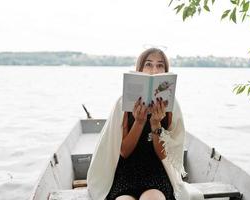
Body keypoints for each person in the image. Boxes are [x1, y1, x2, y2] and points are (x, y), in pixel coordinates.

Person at [87, 48, 204, 200]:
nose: (154, 70)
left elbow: (164, 156)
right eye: (148, 64)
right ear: (140, 69)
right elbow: (124, 152)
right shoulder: (124, 103)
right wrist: (140, 121)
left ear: (166, 70)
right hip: (126, 170)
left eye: (160, 65)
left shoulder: (171, 106)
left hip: (156, 170)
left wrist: (155, 123)